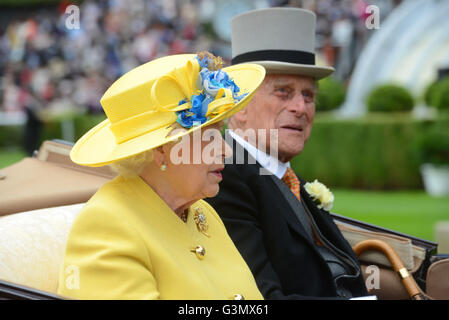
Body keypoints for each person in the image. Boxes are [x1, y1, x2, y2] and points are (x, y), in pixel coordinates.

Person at [57, 52, 266, 300]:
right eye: (207, 135)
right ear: (160, 150)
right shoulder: (106, 225)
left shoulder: (201, 211)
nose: (225, 150)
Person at [206, 8, 369, 299]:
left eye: (308, 95)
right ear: (238, 107)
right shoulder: (222, 175)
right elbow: (261, 299)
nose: (301, 107)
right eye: (283, 91)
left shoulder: (284, 176)